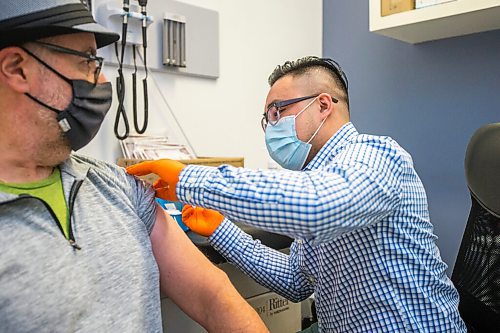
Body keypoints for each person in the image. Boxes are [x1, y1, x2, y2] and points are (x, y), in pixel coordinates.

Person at [127, 56, 467, 332]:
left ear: (322, 105)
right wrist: (220, 230)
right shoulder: (316, 176)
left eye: (279, 111)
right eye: (267, 118)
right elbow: (296, 281)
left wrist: (190, 179)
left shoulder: (377, 155)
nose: (271, 126)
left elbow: (317, 205)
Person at [0, 1, 268, 332]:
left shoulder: (117, 186)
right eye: (88, 62)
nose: (101, 81)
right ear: (17, 68)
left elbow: (212, 296)